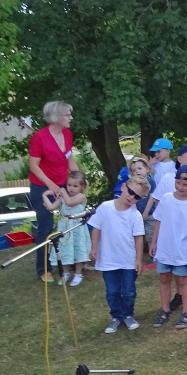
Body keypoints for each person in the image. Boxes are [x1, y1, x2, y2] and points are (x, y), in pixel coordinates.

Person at [144, 143, 187, 312]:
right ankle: (179, 295)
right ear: (179, 159)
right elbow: (159, 203)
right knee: (171, 268)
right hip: (171, 233)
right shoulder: (168, 179)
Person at [88, 175, 150, 334]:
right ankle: (116, 316)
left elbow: (138, 238)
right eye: (130, 192)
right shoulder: (105, 207)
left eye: (137, 197)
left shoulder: (135, 215)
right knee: (112, 291)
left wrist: (138, 259)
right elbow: (96, 228)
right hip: (108, 259)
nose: (132, 197)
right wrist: (94, 247)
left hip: (128, 261)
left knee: (129, 290)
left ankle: (128, 314)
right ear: (123, 187)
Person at [29, 101, 80, 282]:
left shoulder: (67, 134)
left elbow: (69, 158)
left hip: (62, 184)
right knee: (45, 226)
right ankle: (43, 269)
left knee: (70, 221)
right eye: (67, 114)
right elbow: (33, 166)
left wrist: (79, 178)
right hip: (42, 186)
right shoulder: (39, 137)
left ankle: (72, 261)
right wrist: (51, 185)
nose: (70, 118)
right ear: (56, 117)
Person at [149, 165, 187, 329]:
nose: (181, 187)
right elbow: (158, 221)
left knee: (183, 279)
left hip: (182, 250)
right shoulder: (166, 199)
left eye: (185, 184)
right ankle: (165, 310)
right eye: (178, 183)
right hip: (164, 248)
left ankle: (186, 312)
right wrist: (153, 242)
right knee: (164, 278)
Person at [42, 171, 90, 286]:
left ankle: (78, 273)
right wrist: (45, 196)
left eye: (75, 186)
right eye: (69, 185)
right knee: (64, 251)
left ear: (82, 187)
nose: (71, 188)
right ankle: (66, 272)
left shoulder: (81, 196)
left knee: (78, 250)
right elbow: (51, 207)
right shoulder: (64, 196)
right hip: (64, 228)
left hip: (77, 228)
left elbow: (69, 203)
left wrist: (63, 192)